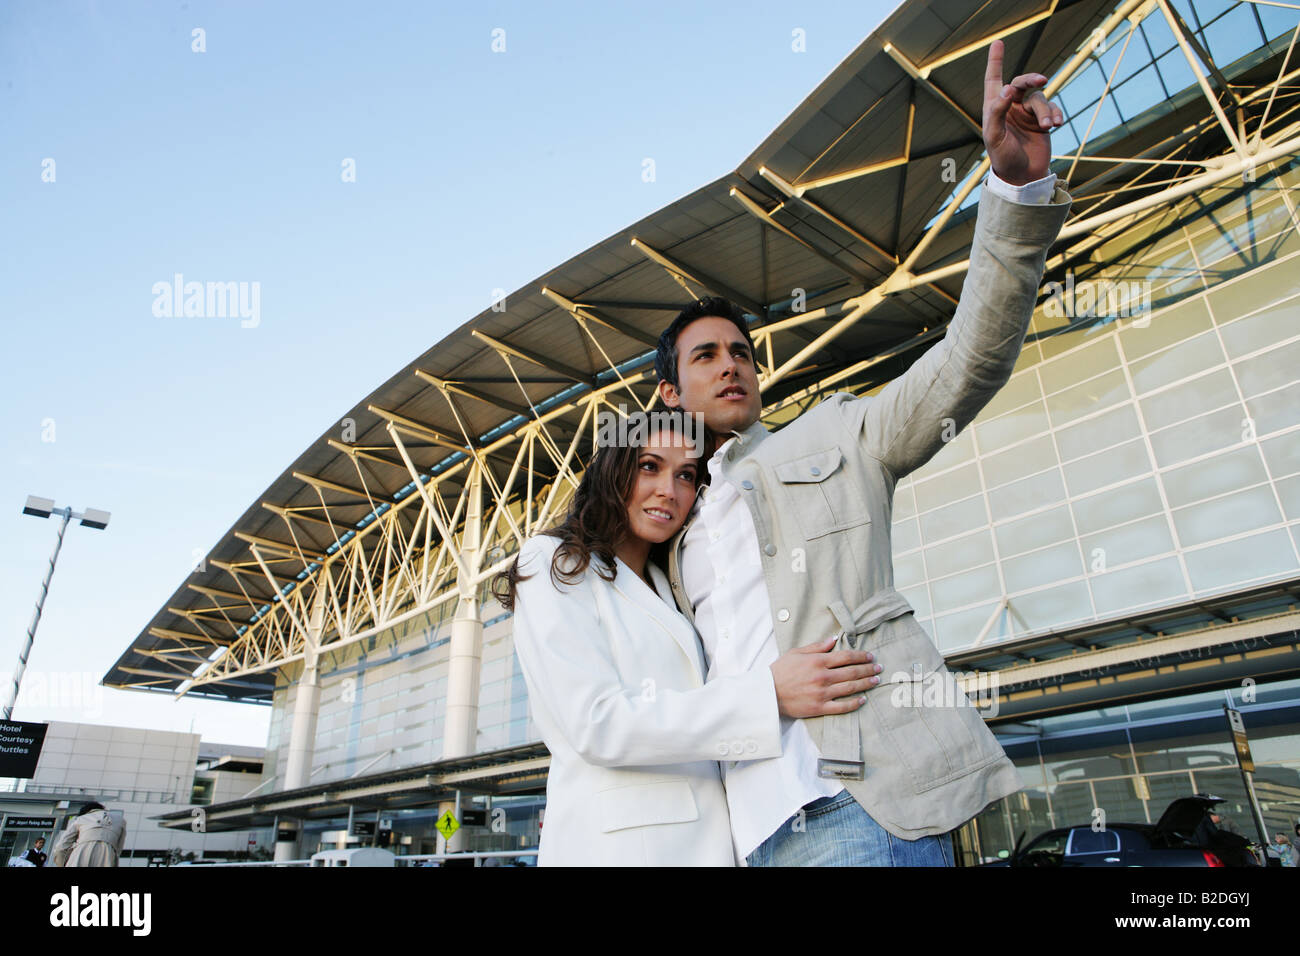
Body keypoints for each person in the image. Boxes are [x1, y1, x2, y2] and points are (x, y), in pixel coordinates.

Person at [655, 40, 1073, 866]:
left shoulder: (837, 436)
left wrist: (1014, 191)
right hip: (743, 836)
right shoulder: (663, 533)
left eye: (741, 351)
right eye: (705, 357)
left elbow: (968, 361)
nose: (732, 363)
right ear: (667, 395)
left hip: (859, 805)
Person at [493, 407, 880, 865]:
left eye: (685, 476)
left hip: (717, 846)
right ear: (612, 470)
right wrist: (768, 694)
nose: (668, 491)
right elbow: (598, 723)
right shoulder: (553, 561)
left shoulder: (667, 586)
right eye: (649, 466)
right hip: (621, 848)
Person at [50, 802, 126, 867]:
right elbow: (118, 849)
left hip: (79, 858)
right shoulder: (120, 821)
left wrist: (62, 864)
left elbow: (61, 847)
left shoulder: (81, 819)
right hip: (107, 859)